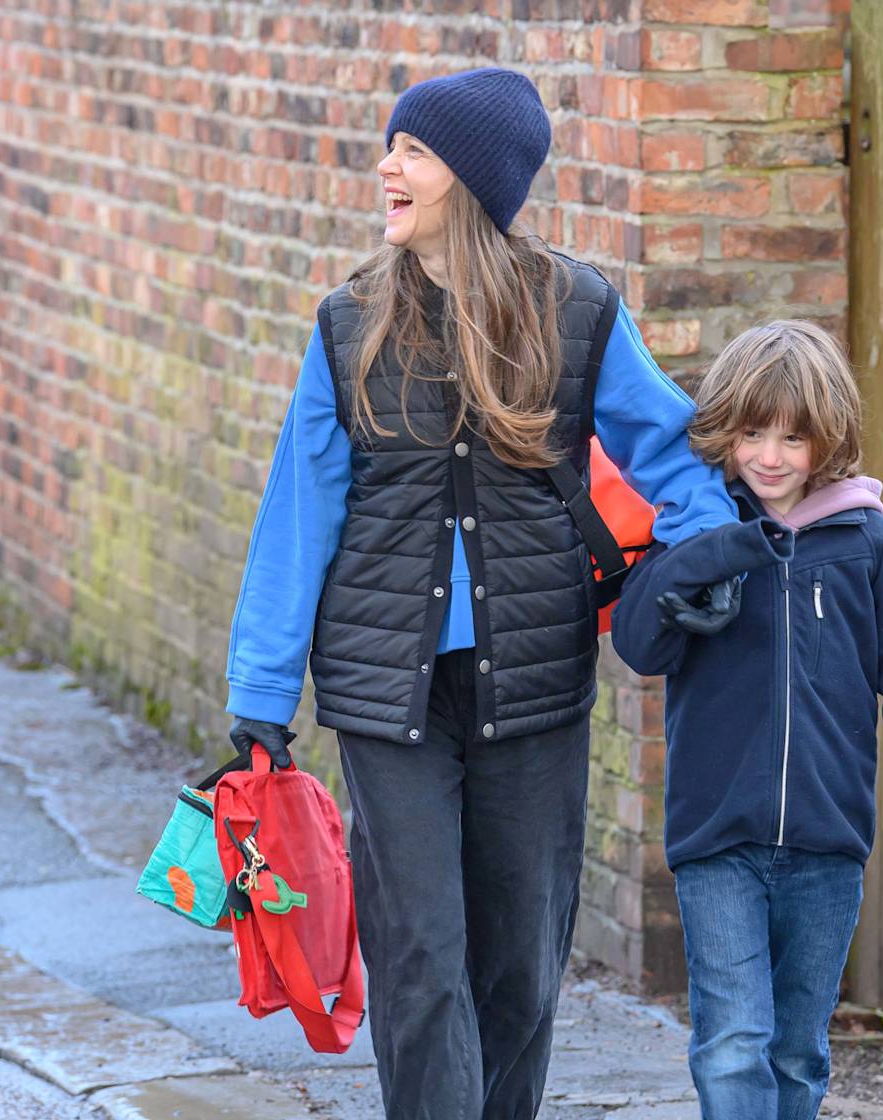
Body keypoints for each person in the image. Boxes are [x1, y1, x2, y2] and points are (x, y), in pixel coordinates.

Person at [224, 67, 740, 1119]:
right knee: (418, 961)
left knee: (515, 969)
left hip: (533, 682)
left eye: (411, 151)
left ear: (471, 176)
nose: (387, 168)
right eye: (391, 148)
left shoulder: (578, 310)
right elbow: (298, 511)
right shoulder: (347, 323)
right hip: (384, 694)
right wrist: (261, 697)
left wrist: (700, 563)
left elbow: (675, 456)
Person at [611, 320, 883, 1120]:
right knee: (733, 1044)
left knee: (796, 1055)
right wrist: (709, 557)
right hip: (717, 843)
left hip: (827, 849)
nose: (770, 457)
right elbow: (638, 643)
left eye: (793, 438)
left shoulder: (867, 545)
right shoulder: (697, 531)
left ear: (828, 439)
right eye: (751, 432)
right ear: (723, 431)